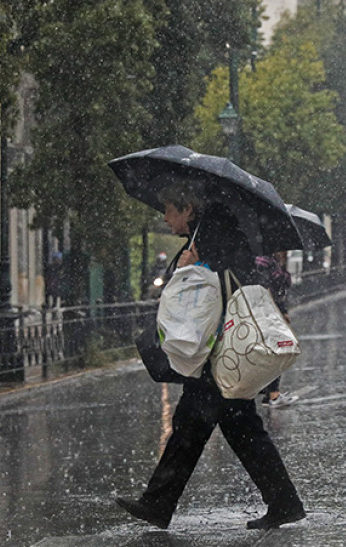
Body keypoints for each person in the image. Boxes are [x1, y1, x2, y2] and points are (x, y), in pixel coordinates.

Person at [116, 181, 305, 531]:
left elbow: (218, 286)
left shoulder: (217, 229)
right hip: (219, 353)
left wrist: (193, 263)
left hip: (219, 350)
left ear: (187, 208)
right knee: (234, 427)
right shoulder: (211, 227)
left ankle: (159, 503)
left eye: (169, 210)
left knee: (198, 426)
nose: (165, 218)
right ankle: (283, 501)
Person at [255, 251, 297, 408]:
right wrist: (282, 310)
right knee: (276, 351)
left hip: (263, 311)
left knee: (268, 351)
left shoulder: (266, 261)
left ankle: (268, 392)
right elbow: (271, 290)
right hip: (268, 312)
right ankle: (273, 394)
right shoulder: (267, 263)